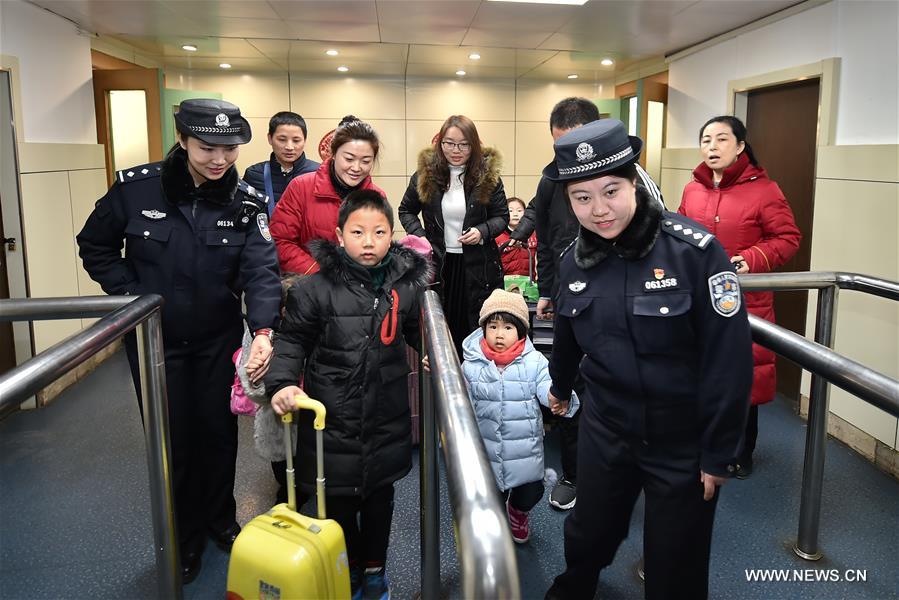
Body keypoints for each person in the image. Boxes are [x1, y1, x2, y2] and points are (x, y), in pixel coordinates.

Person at [541, 119, 753, 600]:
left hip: (681, 437)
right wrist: (559, 387)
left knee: (675, 561)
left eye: (611, 190)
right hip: (606, 427)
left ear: (634, 181)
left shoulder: (694, 253)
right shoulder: (574, 261)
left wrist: (720, 451)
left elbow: (729, 360)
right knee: (588, 533)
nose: (599, 210)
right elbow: (569, 335)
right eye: (583, 198)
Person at [76, 99, 281, 584]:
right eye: (207, 148)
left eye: (229, 149)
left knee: (216, 433)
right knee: (174, 440)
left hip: (217, 338)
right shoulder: (136, 189)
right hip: (153, 342)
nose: (219, 160)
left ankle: (219, 519)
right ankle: (183, 536)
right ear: (182, 139)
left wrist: (265, 330)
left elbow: (262, 269)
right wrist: (133, 296)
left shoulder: (247, 200)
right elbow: (95, 245)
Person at [266, 189, 431, 600]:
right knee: (336, 507)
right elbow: (292, 342)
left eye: (378, 232)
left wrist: (434, 355)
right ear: (339, 235)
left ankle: (375, 570)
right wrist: (283, 382)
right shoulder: (314, 289)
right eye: (358, 232)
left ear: (392, 235)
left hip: (385, 417)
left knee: (380, 503)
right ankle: (349, 569)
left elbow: (417, 330)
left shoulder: (404, 287)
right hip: (331, 420)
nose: (369, 241)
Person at [509, 97, 666, 512]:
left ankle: (639, 478)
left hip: (632, 299)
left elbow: (660, 238)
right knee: (575, 386)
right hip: (572, 294)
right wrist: (547, 289)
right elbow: (542, 234)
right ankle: (577, 475)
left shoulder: (637, 179)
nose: (597, 206)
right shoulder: (551, 181)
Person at [678, 115, 801, 478]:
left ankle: (741, 450)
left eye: (721, 140)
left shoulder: (765, 190)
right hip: (698, 298)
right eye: (706, 140)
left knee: (743, 378)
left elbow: (788, 238)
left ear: (740, 146)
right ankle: (701, 442)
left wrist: (751, 259)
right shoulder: (692, 189)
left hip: (747, 300)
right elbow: (681, 232)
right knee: (698, 372)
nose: (712, 147)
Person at [461, 289, 578, 544]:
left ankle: (517, 511)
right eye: (492, 326)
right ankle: (495, 520)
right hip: (486, 448)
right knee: (490, 497)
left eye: (508, 327)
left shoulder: (534, 361)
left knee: (530, 492)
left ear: (521, 331)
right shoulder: (472, 362)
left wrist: (558, 399)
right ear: (483, 329)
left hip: (524, 447)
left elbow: (547, 385)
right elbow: (461, 398)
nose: (499, 334)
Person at [398, 114, 509, 357]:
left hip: (478, 266)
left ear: (474, 145)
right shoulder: (425, 176)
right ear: (440, 143)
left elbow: (502, 217)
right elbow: (405, 210)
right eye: (449, 143)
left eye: (464, 144)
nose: (455, 150)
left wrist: (482, 231)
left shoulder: (487, 177)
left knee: (476, 327)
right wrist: (420, 236)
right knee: (442, 327)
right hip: (441, 263)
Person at [270, 115, 383, 275]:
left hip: (359, 290)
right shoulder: (301, 187)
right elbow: (280, 241)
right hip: (310, 286)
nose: (356, 168)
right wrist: (320, 274)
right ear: (334, 153)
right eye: (349, 159)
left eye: (365, 161)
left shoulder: (377, 197)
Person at [242, 111, 320, 215]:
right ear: (270, 138)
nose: (289, 147)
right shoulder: (254, 174)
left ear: (305, 140)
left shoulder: (320, 173)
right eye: (282, 140)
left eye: (296, 141)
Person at [495, 197, 536, 276]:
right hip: (506, 282)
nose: (515, 214)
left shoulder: (533, 234)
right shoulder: (497, 236)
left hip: (529, 280)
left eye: (519, 210)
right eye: (510, 211)